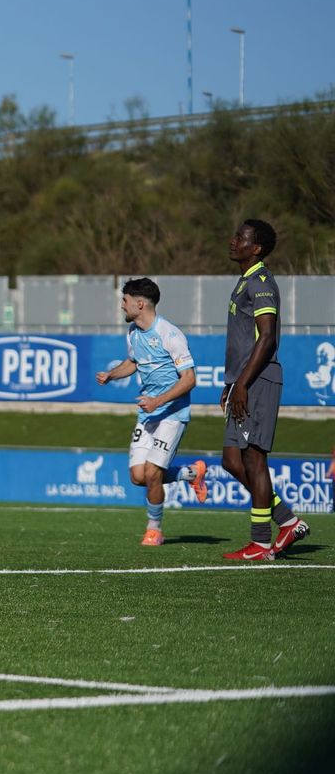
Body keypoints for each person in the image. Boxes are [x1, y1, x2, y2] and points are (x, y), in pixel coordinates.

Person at [217, 219, 309, 560]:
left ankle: (260, 541)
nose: (233, 240)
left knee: (254, 459)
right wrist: (231, 384)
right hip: (242, 383)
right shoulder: (244, 282)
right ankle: (287, 521)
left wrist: (242, 383)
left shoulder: (261, 282)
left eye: (240, 237)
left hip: (259, 381)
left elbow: (267, 337)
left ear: (255, 248)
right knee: (231, 460)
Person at [95, 277, 208, 546]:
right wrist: (112, 374)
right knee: (138, 477)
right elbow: (133, 362)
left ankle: (154, 528)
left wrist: (158, 401)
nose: (122, 305)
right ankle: (192, 473)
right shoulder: (133, 332)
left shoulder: (170, 334)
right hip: (148, 415)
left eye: (125, 300)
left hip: (172, 413)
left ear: (140, 303)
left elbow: (189, 379)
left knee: (153, 473)